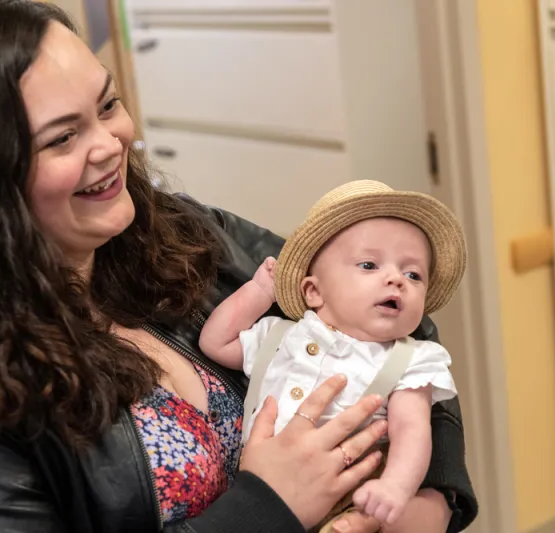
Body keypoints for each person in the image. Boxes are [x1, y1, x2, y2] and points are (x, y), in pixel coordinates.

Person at [0, 1, 478, 532]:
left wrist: (424, 508)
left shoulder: (181, 236)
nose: (110, 145)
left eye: (107, 106)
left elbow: (401, 333)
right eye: (63, 137)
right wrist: (269, 505)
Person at [199, 180, 466, 530]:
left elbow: (412, 431)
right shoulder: (280, 335)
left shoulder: (410, 360)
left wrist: (394, 488)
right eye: (369, 265)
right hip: (258, 495)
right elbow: (215, 344)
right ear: (313, 291)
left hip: (351, 492)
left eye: (413, 274)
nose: (396, 279)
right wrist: (259, 292)